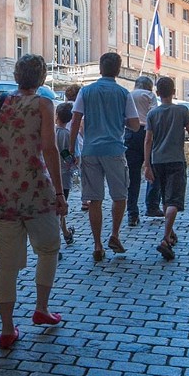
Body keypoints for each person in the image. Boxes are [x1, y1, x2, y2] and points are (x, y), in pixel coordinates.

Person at [0, 53, 66, 349]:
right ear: (41, 78)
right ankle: (41, 308)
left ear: (15, 74)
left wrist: (2, 149)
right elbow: (49, 149)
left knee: (6, 263)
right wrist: (60, 193)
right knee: (49, 247)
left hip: (2, 189)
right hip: (36, 188)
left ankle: (7, 328)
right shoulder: (43, 104)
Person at [69, 52, 140, 262]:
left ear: (100, 68)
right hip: (114, 149)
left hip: (91, 150)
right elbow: (135, 125)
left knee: (94, 199)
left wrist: (73, 150)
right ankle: (115, 235)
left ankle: (97, 244)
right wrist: (120, 121)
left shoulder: (86, 91)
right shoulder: (123, 93)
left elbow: (75, 121)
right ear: (118, 70)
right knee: (120, 196)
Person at [144, 76, 189, 261]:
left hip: (158, 161)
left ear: (157, 93)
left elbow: (148, 140)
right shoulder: (182, 110)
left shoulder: (152, 114)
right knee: (174, 201)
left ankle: (169, 232)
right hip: (176, 160)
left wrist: (147, 164)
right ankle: (165, 239)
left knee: (165, 197)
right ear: (174, 92)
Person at [124, 74, 161, 225]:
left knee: (133, 176)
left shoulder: (129, 94)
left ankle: (132, 213)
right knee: (152, 169)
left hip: (130, 134)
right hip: (147, 132)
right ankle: (152, 205)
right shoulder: (150, 95)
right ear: (149, 86)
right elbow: (154, 114)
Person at [54, 101, 77, 245]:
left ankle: (66, 233)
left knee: (57, 209)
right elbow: (66, 154)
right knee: (60, 208)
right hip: (63, 175)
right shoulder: (66, 134)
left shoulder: (51, 131)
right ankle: (57, 238)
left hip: (51, 174)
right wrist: (74, 162)